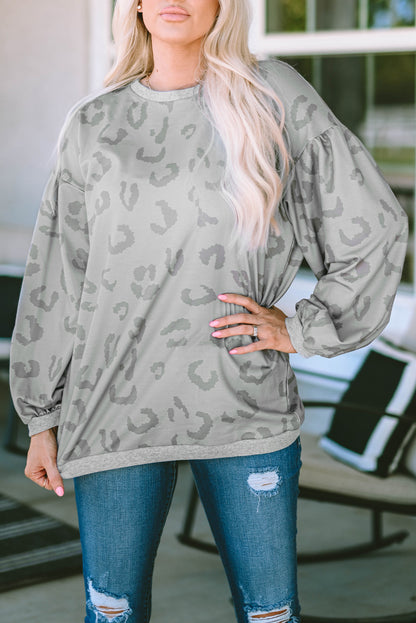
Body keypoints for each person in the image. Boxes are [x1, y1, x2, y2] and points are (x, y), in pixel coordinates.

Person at [9, 1, 408, 622]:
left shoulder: (271, 96)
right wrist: (40, 414)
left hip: (242, 403)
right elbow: (58, 275)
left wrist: (303, 326)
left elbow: (373, 224)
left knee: (270, 615)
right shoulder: (94, 122)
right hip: (110, 407)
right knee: (112, 615)